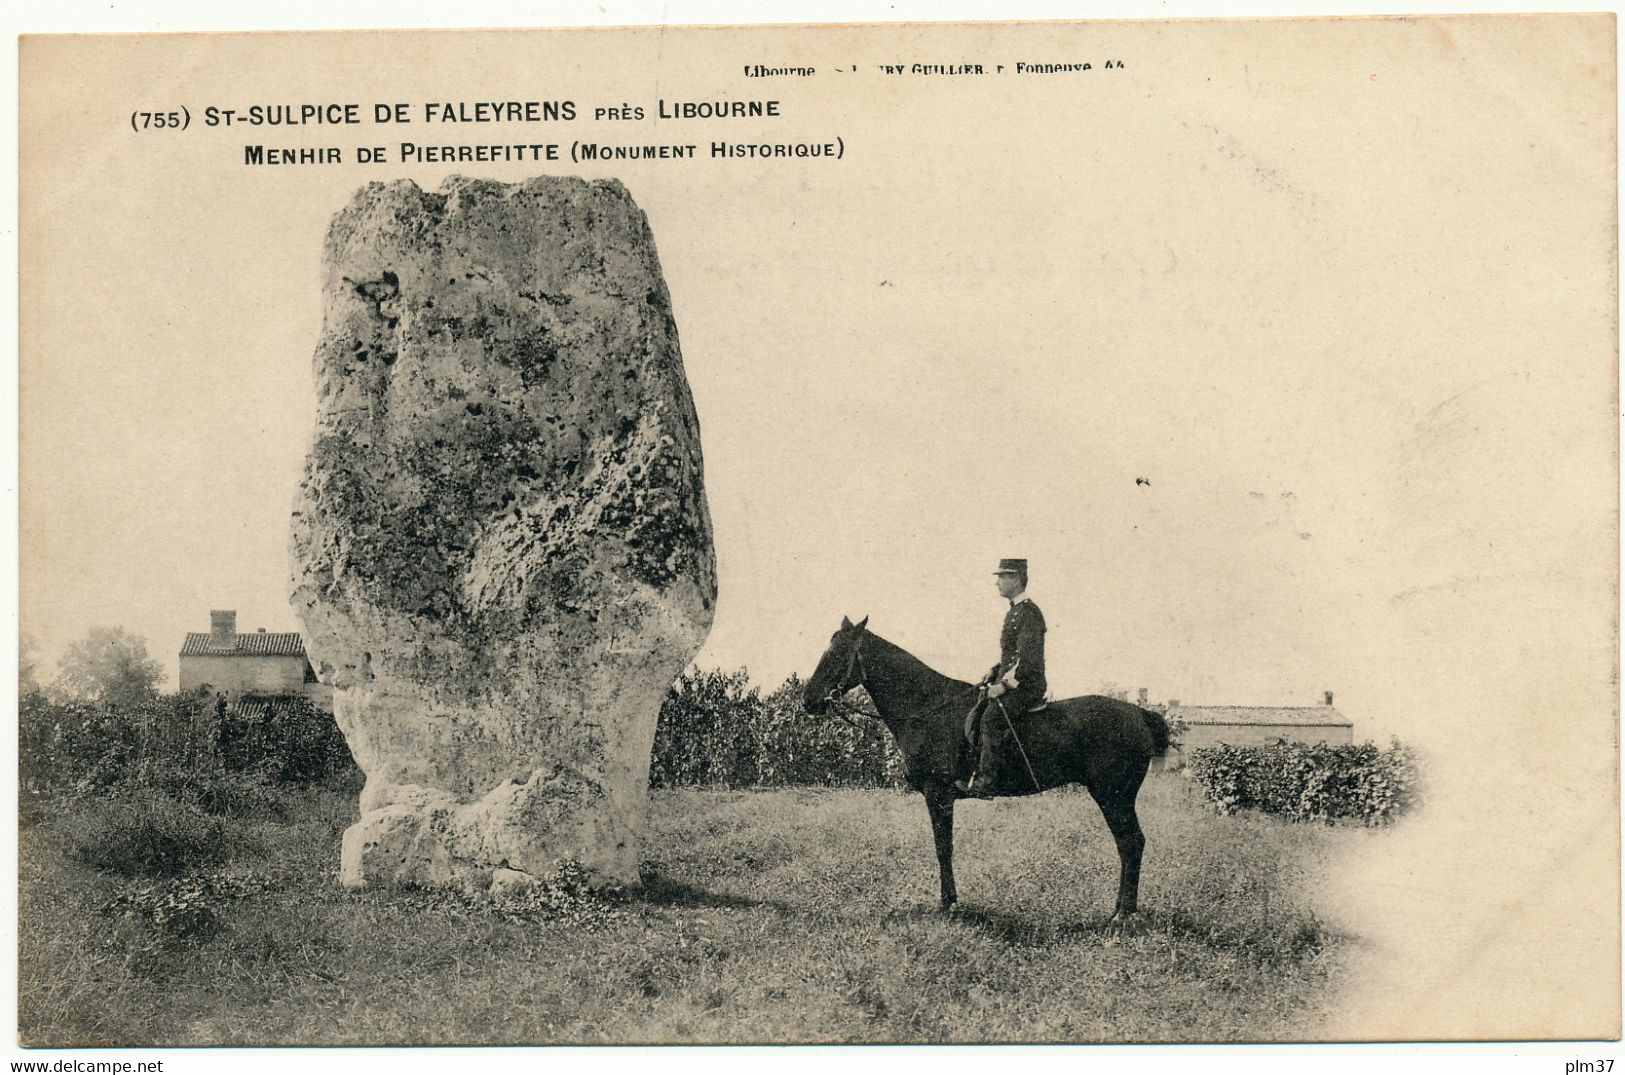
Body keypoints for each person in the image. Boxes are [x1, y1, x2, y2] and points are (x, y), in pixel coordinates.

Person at [955, 557, 1048, 797]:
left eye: (1002, 577)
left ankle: (988, 783)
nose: (997, 583)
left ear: (1016, 580)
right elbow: (1012, 655)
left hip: (1028, 685)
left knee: (991, 719)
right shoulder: (1016, 611)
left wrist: (1004, 685)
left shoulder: (1030, 613)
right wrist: (995, 670)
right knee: (976, 712)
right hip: (1015, 679)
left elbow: (1027, 659)